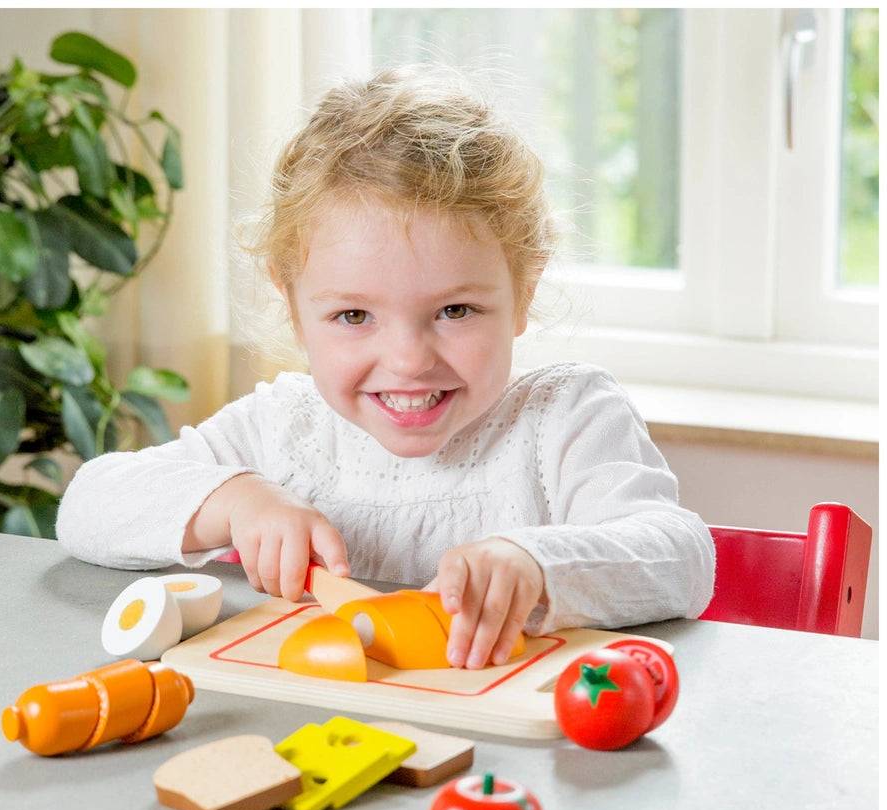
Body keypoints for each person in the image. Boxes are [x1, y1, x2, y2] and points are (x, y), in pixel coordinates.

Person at [56, 66, 715, 670]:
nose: (407, 360)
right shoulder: (285, 427)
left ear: (524, 293)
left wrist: (535, 561)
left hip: (511, 763)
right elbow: (87, 505)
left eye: (455, 309)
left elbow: (680, 558)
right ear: (293, 308)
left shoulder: (564, 417)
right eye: (353, 317)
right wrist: (234, 500)